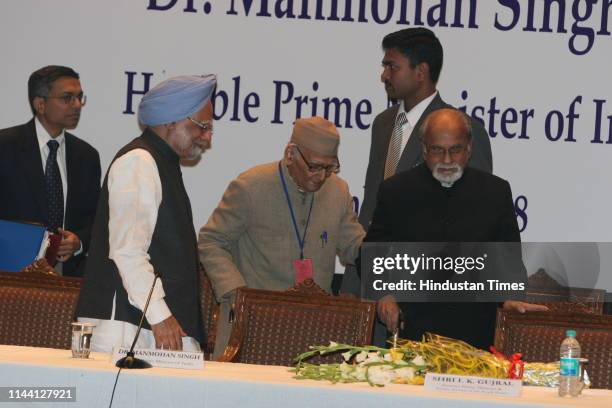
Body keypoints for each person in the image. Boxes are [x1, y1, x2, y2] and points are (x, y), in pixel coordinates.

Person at [362, 109, 546, 350]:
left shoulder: (495, 192)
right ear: (425, 149)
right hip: (413, 332)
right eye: (438, 150)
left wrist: (510, 298)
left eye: (455, 150)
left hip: (476, 334)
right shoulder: (396, 191)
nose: (447, 160)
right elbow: (372, 253)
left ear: (469, 149)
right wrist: (383, 295)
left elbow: (509, 263)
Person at [340, 28, 493, 295]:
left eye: (392, 66)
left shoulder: (462, 130)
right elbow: (372, 205)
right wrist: (354, 282)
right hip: (367, 282)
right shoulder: (383, 124)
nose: (383, 76)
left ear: (420, 71)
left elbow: (473, 218)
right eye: (384, 66)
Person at [198, 116, 365, 357]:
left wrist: (387, 252)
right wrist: (236, 293)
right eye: (314, 166)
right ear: (290, 154)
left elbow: (353, 245)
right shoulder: (251, 186)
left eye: (329, 168)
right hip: (251, 323)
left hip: (313, 328)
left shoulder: (338, 190)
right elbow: (211, 240)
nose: (320, 176)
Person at [76, 74, 216, 352]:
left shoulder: (162, 162)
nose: (207, 137)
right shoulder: (138, 162)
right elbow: (127, 251)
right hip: (131, 330)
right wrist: (160, 316)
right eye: (202, 126)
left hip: (152, 327)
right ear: (171, 121)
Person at [0, 65, 101, 276]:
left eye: (79, 97)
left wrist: (79, 241)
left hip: (67, 274)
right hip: (9, 272)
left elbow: (95, 218)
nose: (76, 105)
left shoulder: (86, 156)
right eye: (67, 98)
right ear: (40, 104)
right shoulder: (5, 146)